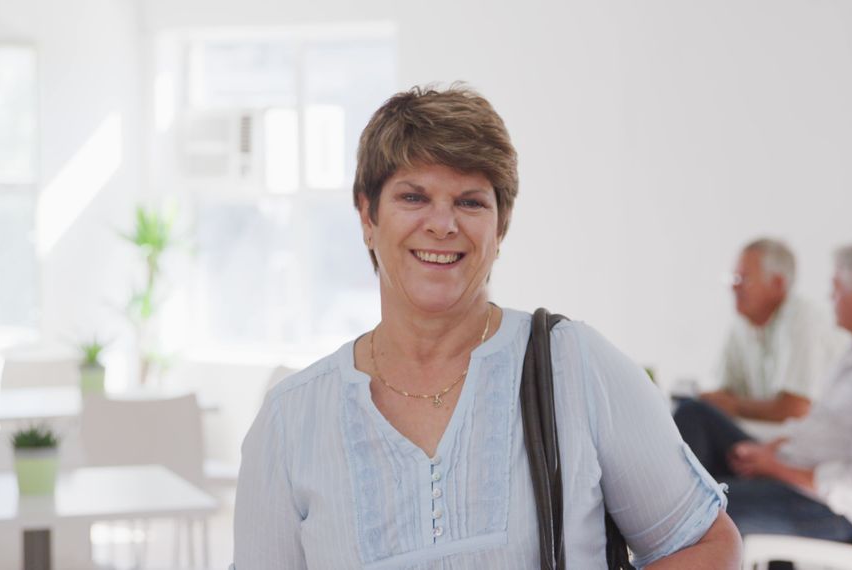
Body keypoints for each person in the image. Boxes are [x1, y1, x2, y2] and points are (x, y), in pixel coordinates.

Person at [232, 85, 741, 569]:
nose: (442, 224)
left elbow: (710, 546)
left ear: (501, 227)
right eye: (413, 197)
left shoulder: (575, 366)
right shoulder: (289, 423)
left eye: (470, 201)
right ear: (367, 215)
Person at [674, 242, 852, 549]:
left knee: (696, 506)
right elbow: (817, 425)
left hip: (829, 510)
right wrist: (772, 451)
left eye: (835, 290)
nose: (830, 298)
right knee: (694, 415)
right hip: (792, 475)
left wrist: (774, 467)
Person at [695, 238, 845, 423]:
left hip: (803, 445)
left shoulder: (802, 319)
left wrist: (733, 405)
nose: (734, 286)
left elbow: (795, 409)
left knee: (693, 416)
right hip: (760, 440)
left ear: (778, 284)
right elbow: (724, 392)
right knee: (691, 411)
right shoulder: (742, 324)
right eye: (733, 278)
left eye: (743, 279)